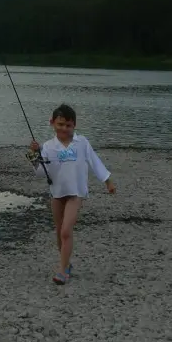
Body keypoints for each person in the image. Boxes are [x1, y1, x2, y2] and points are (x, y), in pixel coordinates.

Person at [29, 103, 115, 285]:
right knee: (60, 233)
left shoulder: (81, 142)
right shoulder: (48, 146)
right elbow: (40, 172)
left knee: (67, 231)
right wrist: (34, 154)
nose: (64, 129)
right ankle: (66, 264)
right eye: (60, 124)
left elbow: (94, 161)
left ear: (74, 125)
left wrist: (107, 181)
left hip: (76, 193)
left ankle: (62, 271)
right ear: (52, 123)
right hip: (57, 193)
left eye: (68, 125)